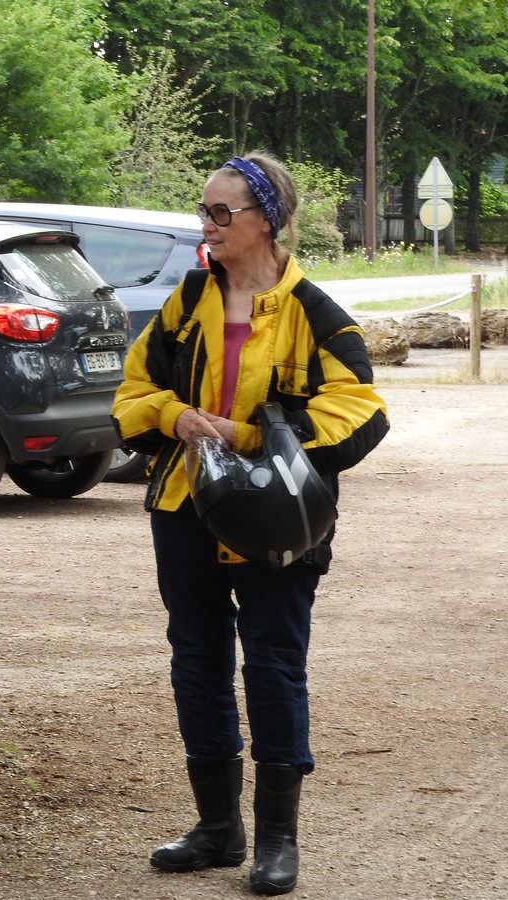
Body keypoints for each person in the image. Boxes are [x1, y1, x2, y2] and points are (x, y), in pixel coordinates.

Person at [111, 152, 389, 896]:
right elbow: (132, 391)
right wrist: (171, 414)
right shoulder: (188, 299)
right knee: (196, 659)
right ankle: (216, 830)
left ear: (266, 219)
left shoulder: (318, 312)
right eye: (203, 210)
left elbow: (361, 409)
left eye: (221, 212)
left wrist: (251, 434)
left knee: (271, 663)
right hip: (185, 508)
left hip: (278, 521)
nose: (207, 224)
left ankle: (276, 843)